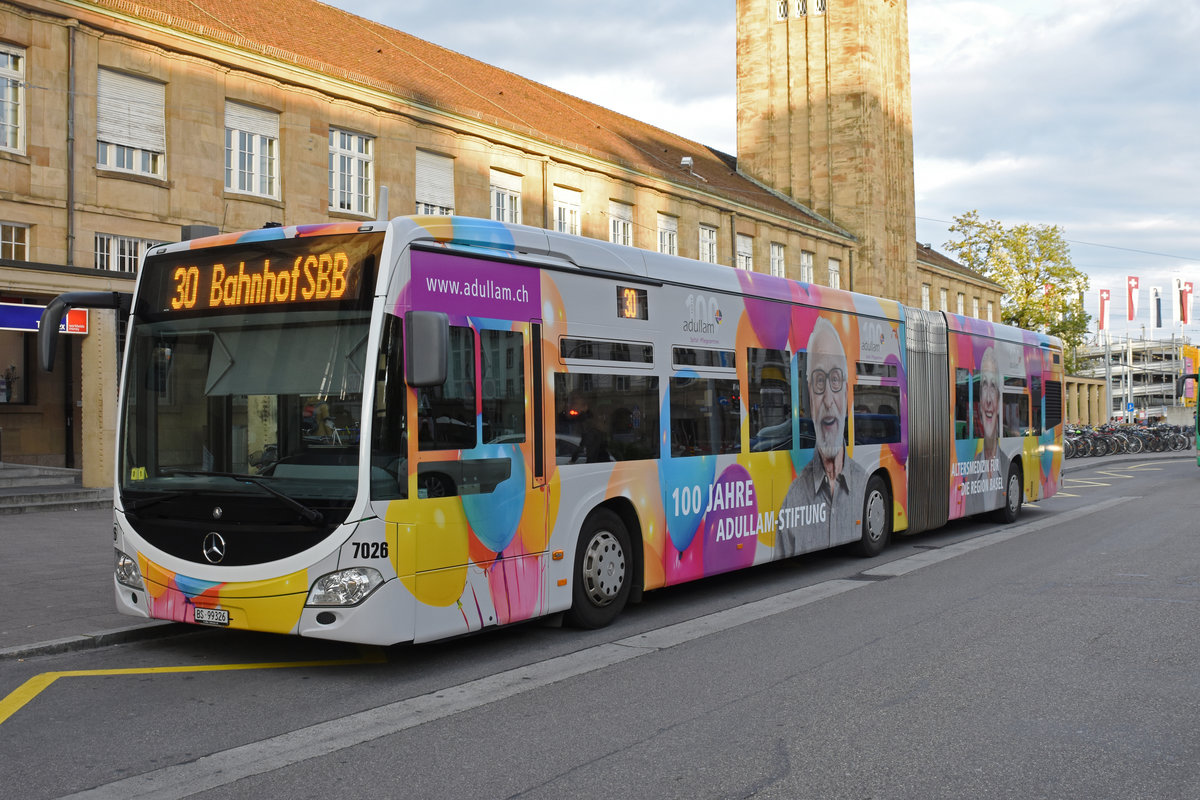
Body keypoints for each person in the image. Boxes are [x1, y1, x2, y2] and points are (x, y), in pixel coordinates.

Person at [776, 317, 867, 556]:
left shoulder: (865, 483)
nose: (828, 399)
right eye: (818, 381)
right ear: (809, 397)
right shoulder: (792, 500)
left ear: (846, 392)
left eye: (835, 379)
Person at [567, 392, 610, 464]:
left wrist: (588, 464)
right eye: (571, 402)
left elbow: (590, 448)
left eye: (575, 403)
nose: (572, 406)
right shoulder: (584, 422)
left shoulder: (588, 424)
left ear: (585, 407)